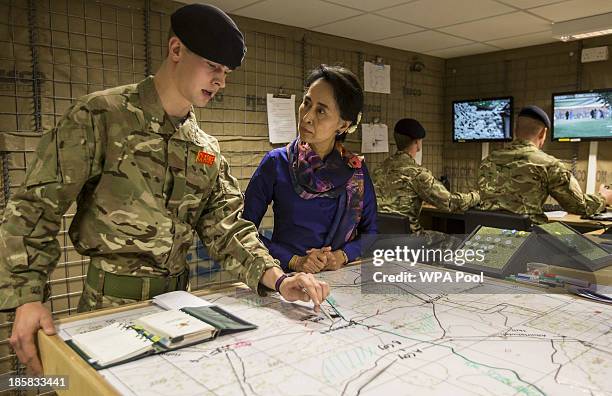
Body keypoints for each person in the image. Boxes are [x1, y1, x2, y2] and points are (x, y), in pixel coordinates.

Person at [0, 3, 329, 375]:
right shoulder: (100, 116)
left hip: (178, 310)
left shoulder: (205, 149)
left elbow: (227, 229)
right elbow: (33, 207)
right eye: (213, 66)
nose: (221, 80)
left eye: (227, 72)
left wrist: (280, 279)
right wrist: (27, 298)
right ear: (176, 50)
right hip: (109, 308)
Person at [243, 65, 377, 274]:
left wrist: (343, 255)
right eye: (306, 103)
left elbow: (372, 234)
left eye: (321, 111)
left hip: (341, 280)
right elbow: (245, 230)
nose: (306, 116)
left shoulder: (356, 172)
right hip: (285, 279)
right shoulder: (277, 163)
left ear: (342, 125)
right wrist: (295, 260)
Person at [479, 105, 612, 223]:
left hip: (486, 237)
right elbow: (579, 207)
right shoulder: (549, 165)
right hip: (527, 242)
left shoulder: (488, 161)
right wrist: (604, 198)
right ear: (543, 133)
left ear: (515, 130)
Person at [372, 118, 479, 234]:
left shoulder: (378, 169)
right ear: (417, 143)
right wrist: (477, 196)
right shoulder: (417, 173)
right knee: (455, 241)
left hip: (379, 239)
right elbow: (449, 203)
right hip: (409, 240)